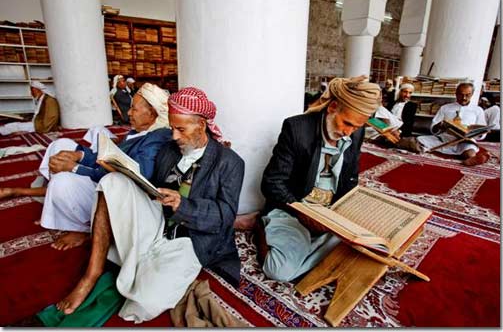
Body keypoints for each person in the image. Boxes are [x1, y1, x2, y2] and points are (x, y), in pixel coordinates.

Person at [55, 87, 245, 323]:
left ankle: (142, 262)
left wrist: (182, 204)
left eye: (181, 129)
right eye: (173, 127)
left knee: (142, 305)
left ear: (202, 126)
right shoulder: (169, 149)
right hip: (157, 221)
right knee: (112, 182)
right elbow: (148, 185)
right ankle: (91, 275)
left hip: (191, 240)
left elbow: (225, 216)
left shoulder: (230, 163)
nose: (174, 136)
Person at [0, 83, 172, 250]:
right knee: (61, 145)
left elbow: (133, 175)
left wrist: (75, 168)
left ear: (153, 114)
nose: (128, 112)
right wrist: (79, 155)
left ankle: (79, 228)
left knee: (63, 181)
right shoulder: (140, 130)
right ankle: (58, 202)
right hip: (105, 176)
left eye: (134, 109)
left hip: (118, 193)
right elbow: (113, 157)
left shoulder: (157, 137)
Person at [256, 75, 381, 282]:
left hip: (330, 213)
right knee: (279, 272)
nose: (348, 133)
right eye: (347, 123)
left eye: (356, 128)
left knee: (372, 242)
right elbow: (272, 183)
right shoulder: (297, 129)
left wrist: (346, 213)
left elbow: (350, 180)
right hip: (295, 209)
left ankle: (313, 246)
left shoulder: (355, 134)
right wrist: (304, 213)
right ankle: (262, 228)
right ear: (332, 107)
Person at [404, 82, 489, 165]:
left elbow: (481, 132)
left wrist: (477, 133)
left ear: (472, 94)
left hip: (464, 141)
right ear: (456, 93)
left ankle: (472, 159)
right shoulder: (445, 108)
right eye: (461, 94)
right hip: (444, 139)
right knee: (419, 139)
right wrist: (439, 126)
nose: (464, 98)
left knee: (469, 151)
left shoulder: (478, 110)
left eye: (468, 95)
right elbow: (433, 127)